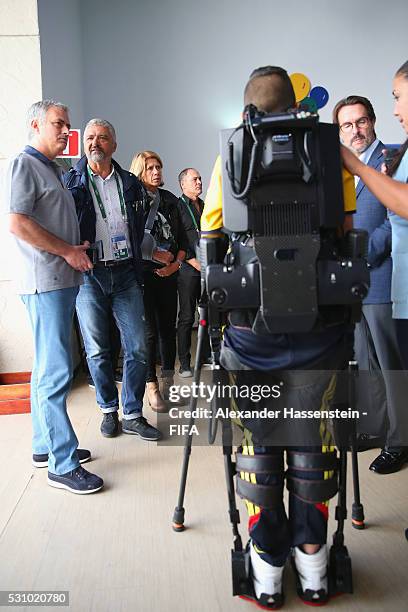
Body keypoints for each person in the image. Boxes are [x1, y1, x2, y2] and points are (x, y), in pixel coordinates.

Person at [201, 66, 356, 607]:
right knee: (315, 440)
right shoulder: (326, 150)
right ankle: (313, 567)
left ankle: (267, 572)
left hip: (250, 337)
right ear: (294, 103)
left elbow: (211, 239)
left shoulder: (232, 155)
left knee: (258, 444)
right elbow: (346, 235)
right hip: (323, 335)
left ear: (248, 108)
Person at [5, 100, 103, 494]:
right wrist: (65, 251)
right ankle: (62, 464)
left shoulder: (55, 168)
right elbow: (16, 222)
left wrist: (72, 246)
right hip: (45, 281)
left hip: (61, 278)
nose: (66, 131)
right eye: (58, 124)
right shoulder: (23, 164)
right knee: (57, 370)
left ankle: (44, 446)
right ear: (36, 124)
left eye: (68, 125)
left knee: (47, 367)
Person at [64, 119, 161, 442]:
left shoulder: (131, 183)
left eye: (102, 138)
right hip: (89, 274)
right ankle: (108, 409)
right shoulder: (72, 182)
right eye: (90, 138)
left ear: (114, 145)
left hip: (124, 272)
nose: (95, 143)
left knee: (137, 345)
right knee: (96, 350)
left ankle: (132, 413)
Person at [333, 95, 408, 474]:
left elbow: (396, 215)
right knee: (365, 361)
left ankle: (400, 440)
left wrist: (363, 255)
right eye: (347, 125)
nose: (355, 130)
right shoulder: (343, 169)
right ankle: (374, 428)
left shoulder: (395, 158)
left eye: (360, 122)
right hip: (353, 284)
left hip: (383, 277)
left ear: (374, 121)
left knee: (392, 364)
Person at [130, 151, 186, 412]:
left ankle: (168, 383)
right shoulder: (131, 201)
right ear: (140, 171)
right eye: (150, 167)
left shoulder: (171, 200)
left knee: (168, 331)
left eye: (158, 167)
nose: (156, 172)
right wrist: (153, 255)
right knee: (149, 334)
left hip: (169, 276)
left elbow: (184, 240)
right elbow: (128, 240)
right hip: (143, 277)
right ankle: (151, 388)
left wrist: (175, 265)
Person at [176, 168, 210, 377]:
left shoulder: (205, 206)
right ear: (183, 184)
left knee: (207, 314)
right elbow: (177, 238)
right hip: (189, 269)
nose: (199, 182)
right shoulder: (178, 207)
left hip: (207, 268)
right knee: (187, 317)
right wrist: (192, 260)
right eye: (194, 179)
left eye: (200, 178)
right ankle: (185, 363)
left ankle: (205, 356)